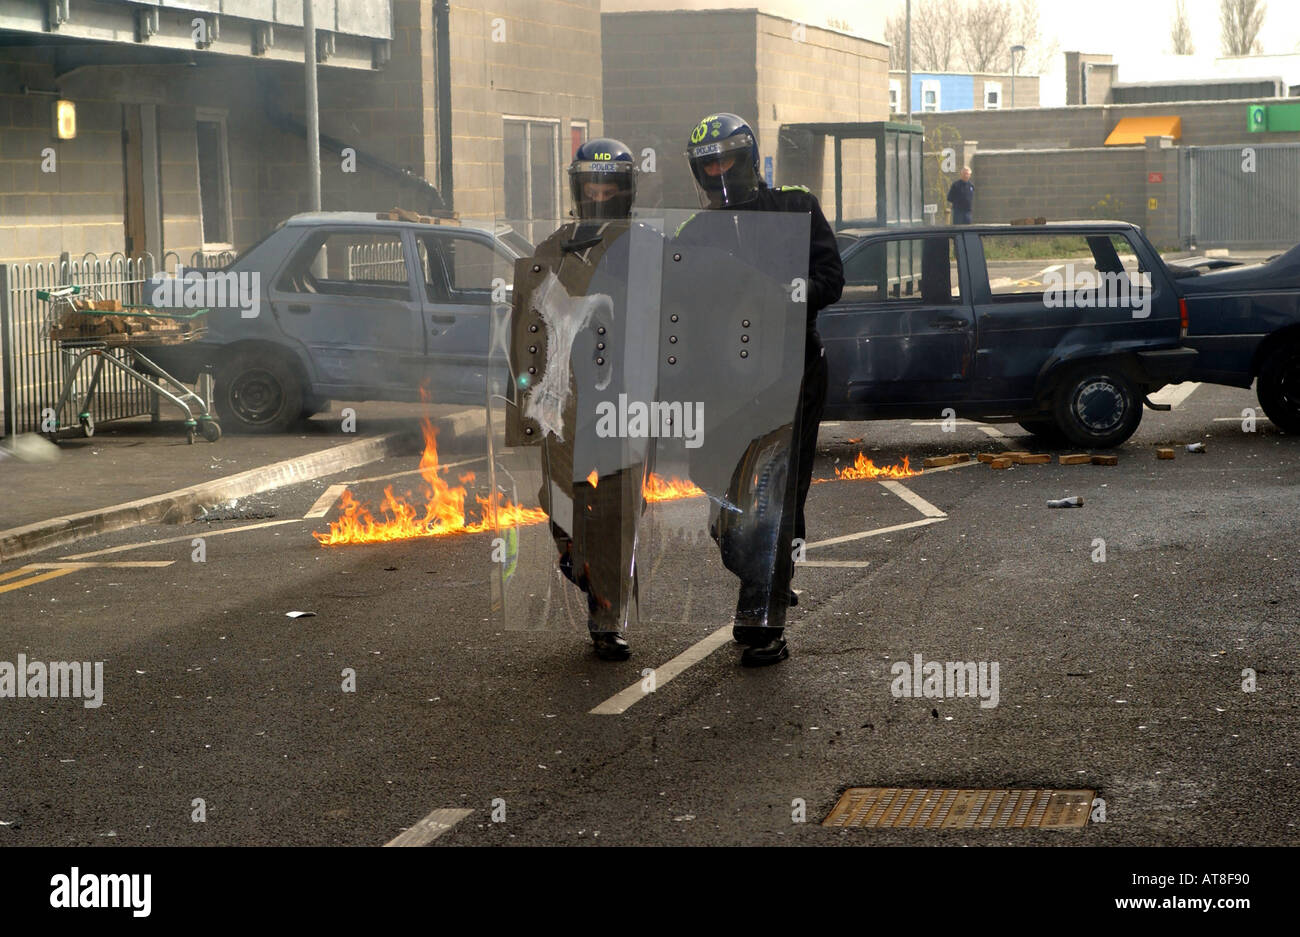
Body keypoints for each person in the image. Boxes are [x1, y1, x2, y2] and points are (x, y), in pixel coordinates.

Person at [674, 112, 844, 666]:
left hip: (792, 370)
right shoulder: (694, 232)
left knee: (775, 492)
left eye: (726, 159)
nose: (718, 171)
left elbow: (832, 277)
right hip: (723, 382)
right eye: (708, 164)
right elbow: (674, 305)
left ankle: (762, 617)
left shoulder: (794, 205)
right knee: (724, 497)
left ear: (747, 158)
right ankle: (763, 569)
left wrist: (795, 295)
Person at [509, 137, 652, 661]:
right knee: (564, 506)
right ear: (576, 185)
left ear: (625, 187)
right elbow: (527, 327)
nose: (599, 190)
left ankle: (607, 618)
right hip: (563, 401)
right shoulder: (554, 247)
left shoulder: (648, 247)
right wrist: (524, 405)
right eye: (591, 181)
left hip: (626, 398)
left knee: (617, 512)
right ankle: (578, 559)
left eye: (609, 182)